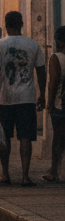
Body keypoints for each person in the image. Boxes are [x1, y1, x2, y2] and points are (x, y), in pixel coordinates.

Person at [0, 10, 46, 186]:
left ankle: (5, 174)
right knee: (25, 137)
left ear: (6, 26)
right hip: (27, 98)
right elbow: (42, 71)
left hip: (5, 98)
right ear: (22, 24)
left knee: (5, 138)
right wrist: (42, 94)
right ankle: (25, 176)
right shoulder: (33, 45)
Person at [43, 25, 65, 183]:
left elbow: (54, 82)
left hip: (60, 104)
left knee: (58, 139)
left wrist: (49, 103)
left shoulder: (57, 58)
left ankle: (54, 171)